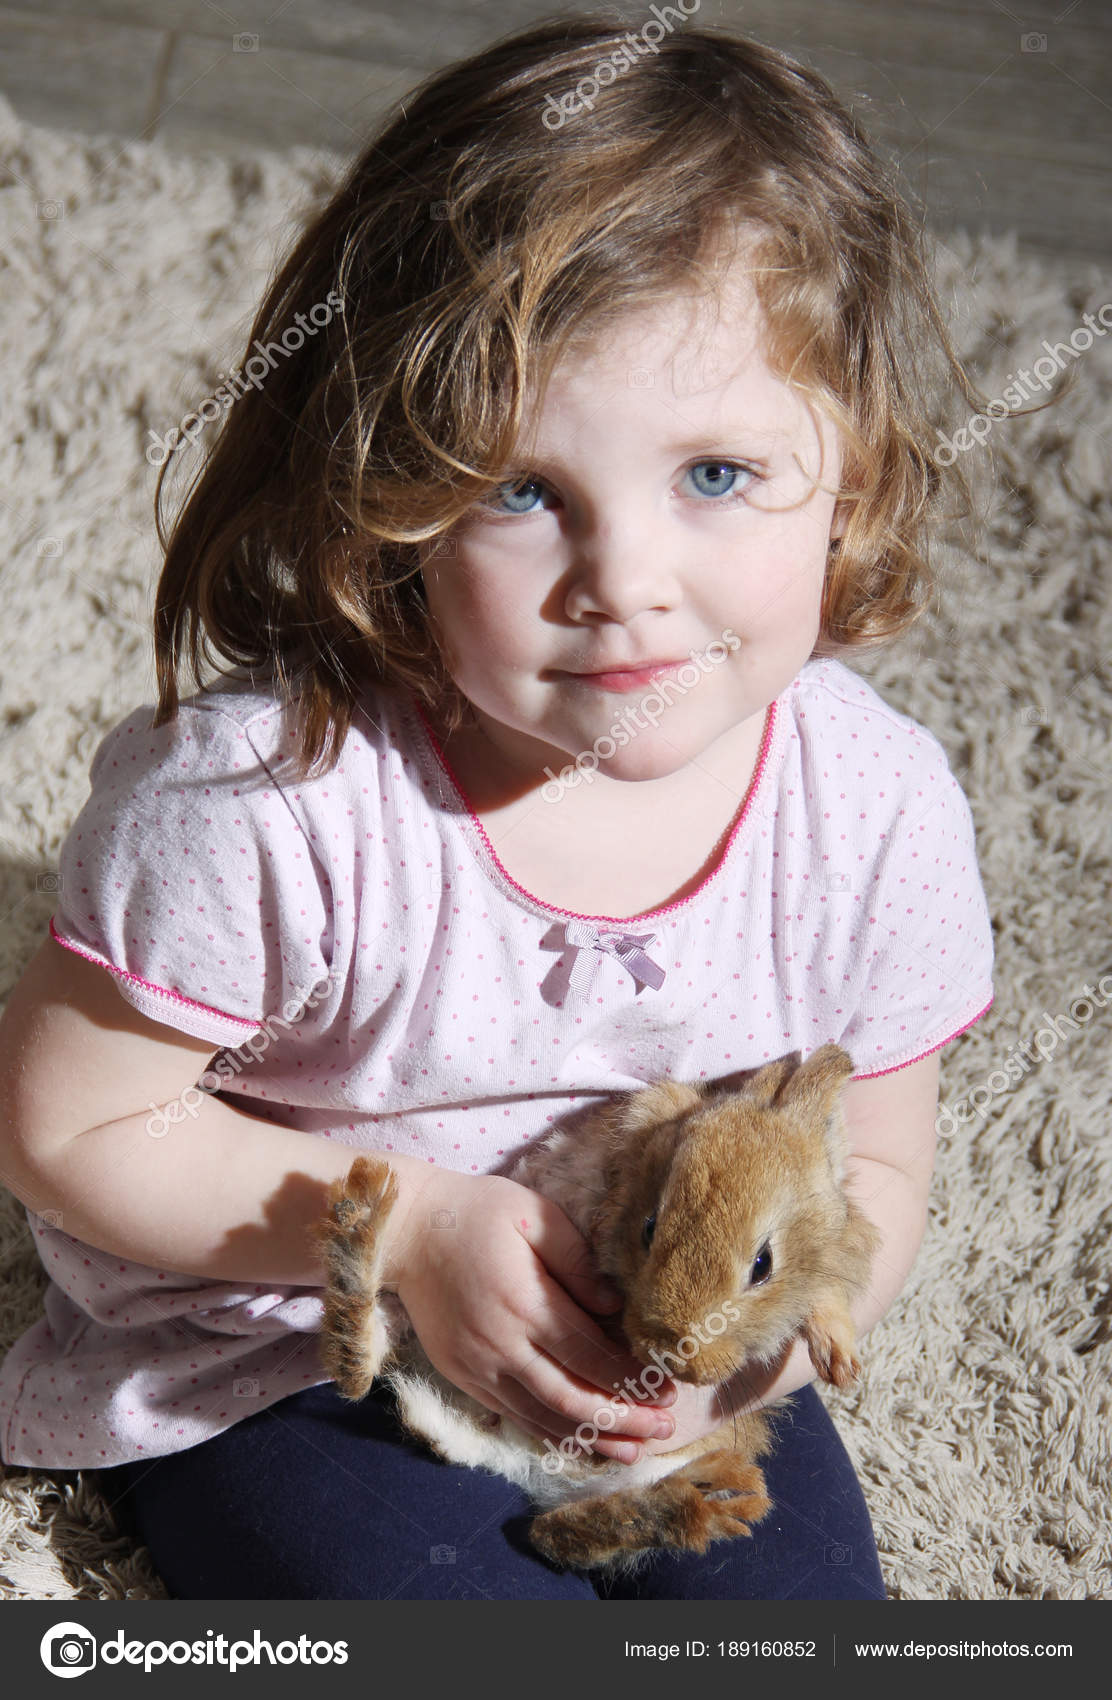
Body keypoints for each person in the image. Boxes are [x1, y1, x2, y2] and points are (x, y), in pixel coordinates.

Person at [0, 15, 994, 1601]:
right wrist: (399, 1235)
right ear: (385, 508)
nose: (627, 586)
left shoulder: (874, 812)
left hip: (673, 1355)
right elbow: (69, 1125)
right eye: (521, 491)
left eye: (719, 476)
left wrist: (763, 1347)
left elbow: (871, 1159)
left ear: (856, 479)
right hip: (305, 1349)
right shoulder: (272, 799)